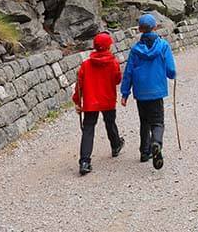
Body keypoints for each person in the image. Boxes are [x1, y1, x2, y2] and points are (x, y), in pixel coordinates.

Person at [120, 13, 176, 170]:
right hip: (157, 91)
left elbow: (128, 73)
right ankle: (156, 143)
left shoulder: (135, 50)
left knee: (144, 121)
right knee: (157, 121)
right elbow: (171, 70)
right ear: (155, 27)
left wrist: (125, 93)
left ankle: (145, 152)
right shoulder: (163, 46)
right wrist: (172, 75)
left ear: (140, 30)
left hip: (141, 92)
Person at [72, 32, 124, 176]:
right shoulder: (113, 62)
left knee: (88, 129)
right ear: (109, 46)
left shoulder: (86, 64)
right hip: (107, 100)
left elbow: (79, 85)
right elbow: (117, 80)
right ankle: (115, 145)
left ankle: (84, 161)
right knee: (110, 123)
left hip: (90, 102)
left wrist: (77, 101)